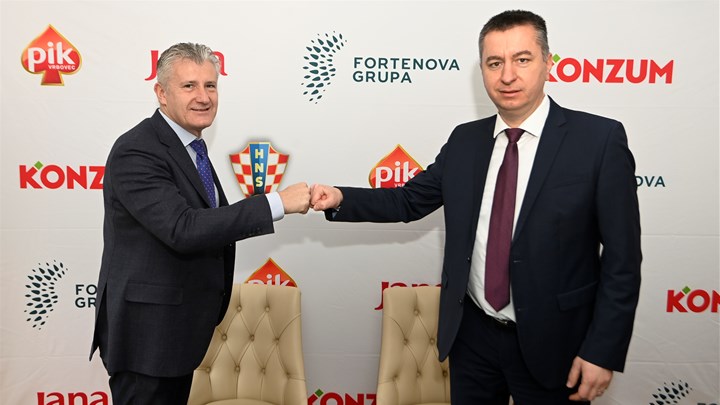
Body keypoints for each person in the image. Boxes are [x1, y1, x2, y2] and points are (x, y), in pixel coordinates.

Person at [310, 10, 641, 404]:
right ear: (482, 70)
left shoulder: (599, 140)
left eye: (522, 59)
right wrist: (340, 197)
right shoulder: (465, 141)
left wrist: (602, 349)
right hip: (473, 339)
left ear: (548, 63)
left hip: (557, 344)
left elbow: (622, 259)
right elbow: (408, 200)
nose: (507, 76)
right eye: (494, 63)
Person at [89, 42, 311, 405]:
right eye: (189, 86)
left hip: (176, 332)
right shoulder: (138, 149)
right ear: (161, 93)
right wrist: (275, 203)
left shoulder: (190, 146)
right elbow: (183, 228)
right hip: (148, 339)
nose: (203, 97)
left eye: (210, 85)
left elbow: (208, 224)